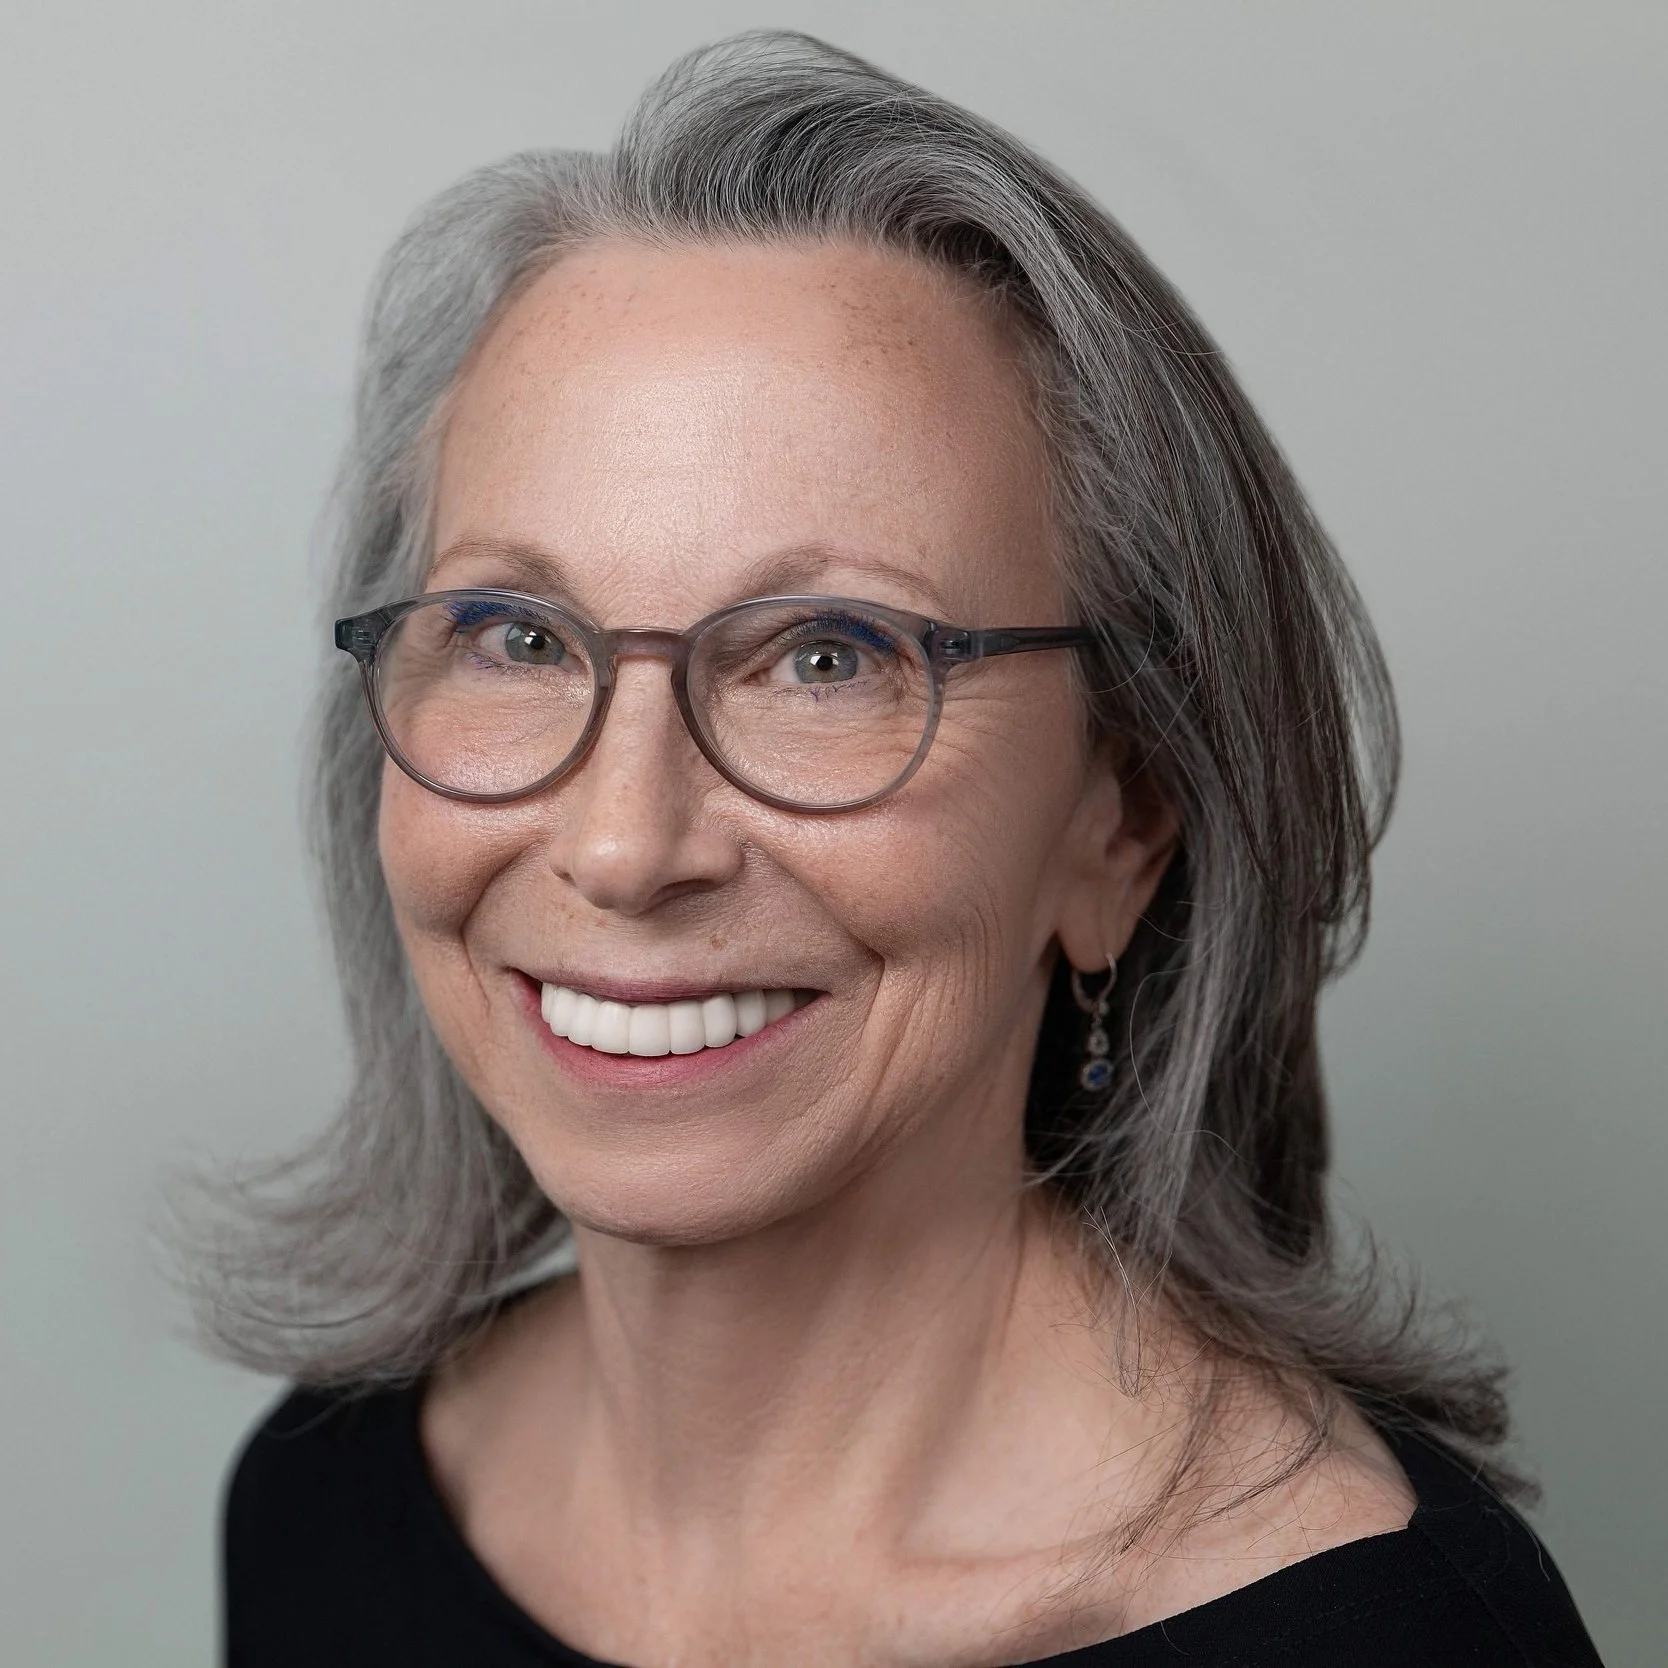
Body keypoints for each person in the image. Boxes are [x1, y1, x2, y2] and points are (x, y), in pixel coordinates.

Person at [203, 30, 1602, 1667]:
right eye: (517, 637)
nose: (626, 844)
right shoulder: (326, 1499)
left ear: (1123, 816)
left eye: (828, 658)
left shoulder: (1399, 1640)